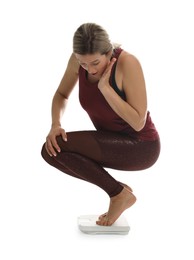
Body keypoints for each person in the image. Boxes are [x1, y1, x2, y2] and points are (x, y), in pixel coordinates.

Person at [41, 23, 160, 226]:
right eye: (83, 63)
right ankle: (117, 190)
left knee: (56, 147)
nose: (90, 69)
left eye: (95, 62)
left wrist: (106, 89)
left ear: (108, 52)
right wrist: (55, 124)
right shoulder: (78, 61)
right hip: (110, 141)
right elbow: (61, 95)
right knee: (51, 150)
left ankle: (117, 194)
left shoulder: (128, 63)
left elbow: (138, 122)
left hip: (141, 146)